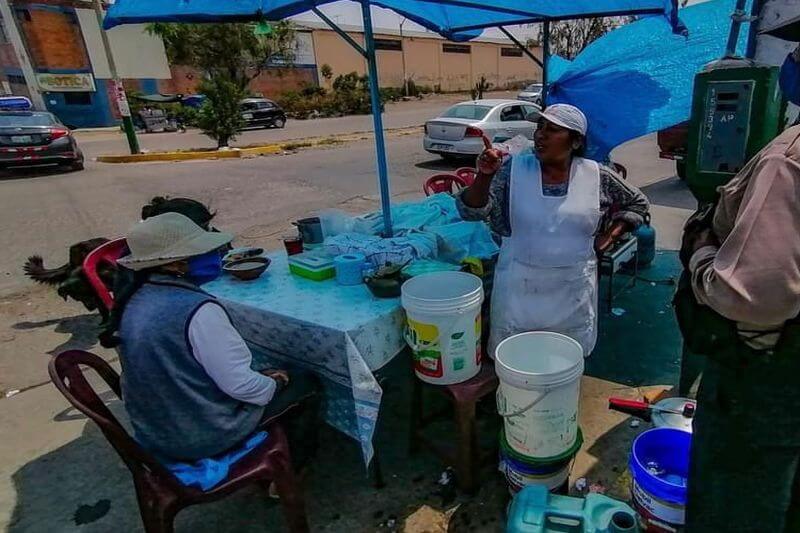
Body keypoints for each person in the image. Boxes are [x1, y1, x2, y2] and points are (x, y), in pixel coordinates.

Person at [108, 212, 319, 467]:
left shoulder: (134, 297)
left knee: (260, 372)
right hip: (200, 435)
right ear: (174, 265)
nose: (217, 254)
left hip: (157, 428)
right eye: (204, 251)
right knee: (306, 380)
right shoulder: (198, 310)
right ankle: (288, 469)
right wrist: (276, 382)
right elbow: (242, 387)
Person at [677, 125, 800, 532]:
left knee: (731, 504)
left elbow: (751, 296)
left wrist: (701, 255)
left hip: (761, 378)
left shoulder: (786, 159)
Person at [457, 104, 649, 356]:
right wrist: (483, 176)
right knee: (516, 363)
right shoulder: (512, 171)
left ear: (576, 141)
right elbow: (471, 212)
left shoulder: (597, 176)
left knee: (564, 364)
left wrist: (609, 236)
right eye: (539, 127)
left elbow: (638, 203)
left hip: (572, 295)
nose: (540, 135)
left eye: (553, 130)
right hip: (518, 293)